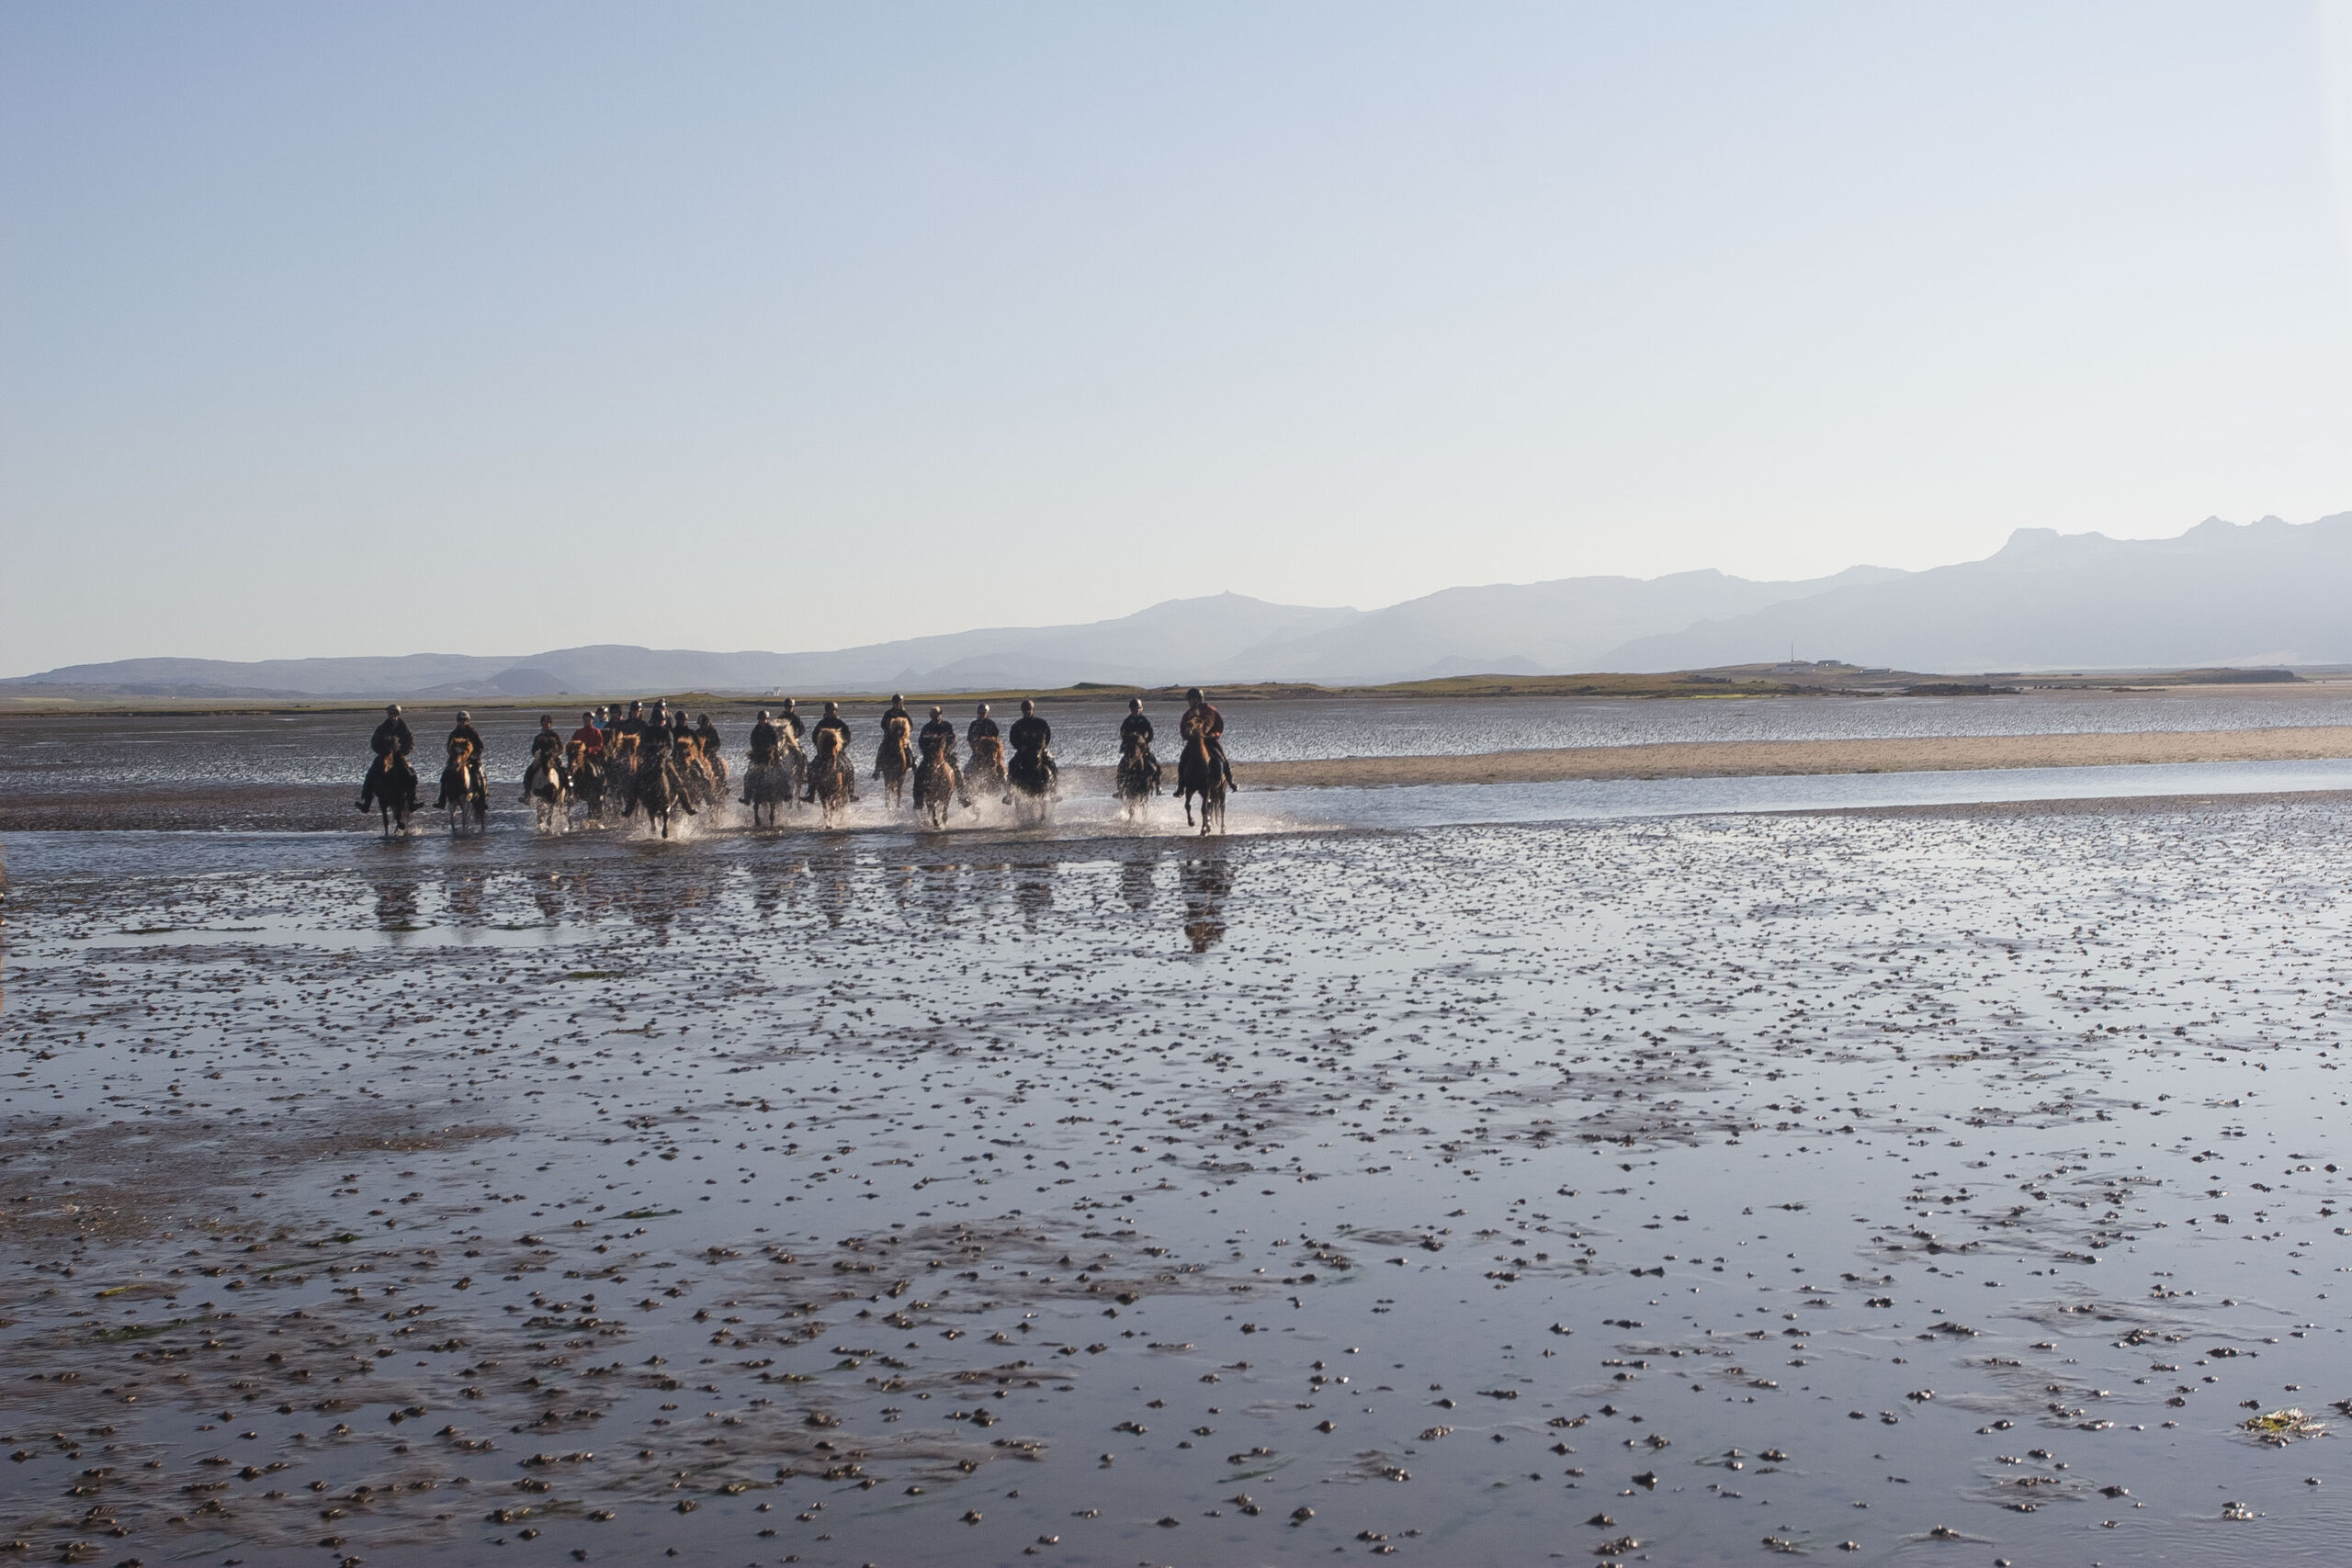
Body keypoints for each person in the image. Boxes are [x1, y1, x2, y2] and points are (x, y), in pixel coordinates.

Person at [357, 703, 417, 812]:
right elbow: (374, 743)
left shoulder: (404, 729)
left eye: (394, 713)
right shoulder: (382, 728)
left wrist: (403, 752)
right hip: (384, 756)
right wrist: (383, 751)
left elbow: (410, 743)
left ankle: (412, 801)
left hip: (399, 757)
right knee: (371, 774)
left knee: (411, 774)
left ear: (398, 714)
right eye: (390, 713)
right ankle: (366, 802)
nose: (392, 715)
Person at [1181, 687, 1235, 790]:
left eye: (1192, 699)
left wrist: (1214, 735)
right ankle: (1181, 786)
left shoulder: (1211, 710)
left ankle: (1231, 781)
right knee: (1183, 759)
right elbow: (1183, 727)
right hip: (1194, 742)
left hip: (1211, 740)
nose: (1190, 702)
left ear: (1199, 699)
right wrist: (1186, 735)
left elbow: (1220, 725)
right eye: (1189, 699)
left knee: (1222, 758)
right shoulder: (1188, 714)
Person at [437, 710, 486, 809]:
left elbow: (480, 747)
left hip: (472, 759)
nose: (462, 722)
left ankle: (481, 799)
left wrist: (473, 756)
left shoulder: (473, 732)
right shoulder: (454, 734)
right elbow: (449, 747)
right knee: (445, 776)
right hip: (457, 760)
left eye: (464, 720)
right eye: (460, 720)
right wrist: (455, 756)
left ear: (468, 721)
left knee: (478, 776)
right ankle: (442, 800)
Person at [1008, 698, 1057, 790]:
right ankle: (1010, 793)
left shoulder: (1041, 723)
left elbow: (1048, 736)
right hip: (1023, 751)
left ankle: (1054, 791)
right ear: (1022, 711)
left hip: (1039, 750)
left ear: (1033, 710)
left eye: (1029, 709)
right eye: (1025, 710)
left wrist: (1043, 746)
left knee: (1051, 764)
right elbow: (1013, 739)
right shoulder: (1017, 725)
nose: (1027, 712)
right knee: (1012, 764)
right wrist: (1020, 747)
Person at [521, 714, 568, 800]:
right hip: (541, 759)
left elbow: (561, 749)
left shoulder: (555, 735)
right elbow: (533, 751)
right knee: (529, 771)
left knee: (564, 771)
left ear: (550, 724)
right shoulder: (538, 737)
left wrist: (554, 754)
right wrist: (537, 753)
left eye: (547, 723)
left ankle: (569, 791)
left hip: (554, 758)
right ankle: (527, 793)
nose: (546, 725)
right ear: (541, 724)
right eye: (544, 723)